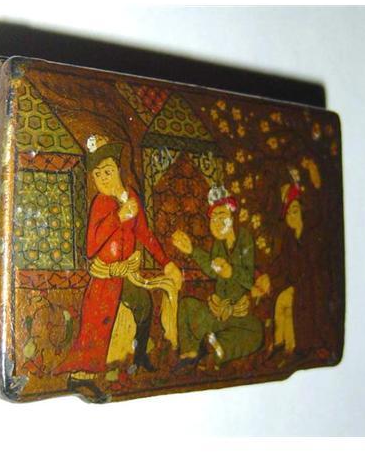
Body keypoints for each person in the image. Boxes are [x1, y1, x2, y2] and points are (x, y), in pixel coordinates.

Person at [53, 134, 182, 399]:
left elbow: (144, 233)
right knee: (96, 324)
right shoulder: (101, 203)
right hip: (106, 277)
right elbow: (91, 246)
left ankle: (140, 356)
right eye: (98, 174)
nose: (104, 178)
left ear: (118, 170)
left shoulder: (131, 198)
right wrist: (118, 217)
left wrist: (166, 262)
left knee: (144, 305)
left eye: (108, 171)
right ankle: (81, 377)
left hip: (127, 274)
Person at [172, 185, 268, 369]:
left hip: (237, 314)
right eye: (213, 218)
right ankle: (191, 351)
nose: (216, 222)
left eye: (221, 216)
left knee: (256, 331)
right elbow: (212, 270)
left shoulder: (244, 239)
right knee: (186, 305)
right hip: (216, 312)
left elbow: (249, 279)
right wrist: (192, 250)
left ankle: (217, 349)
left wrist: (231, 272)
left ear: (232, 217)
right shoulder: (218, 244)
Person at [267, 161, 335, 364]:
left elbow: (317, 263)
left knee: (295, 303)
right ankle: (280, 343)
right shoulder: (289, 239)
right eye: (288, 213)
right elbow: (282, 265)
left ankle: (296, 346)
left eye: (295, 211)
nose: (292, 216)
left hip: (315, 285)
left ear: (302, 211)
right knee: (281, 300)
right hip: (299, 284)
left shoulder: (312, 232)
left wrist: (313, 173)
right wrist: (269, 279)